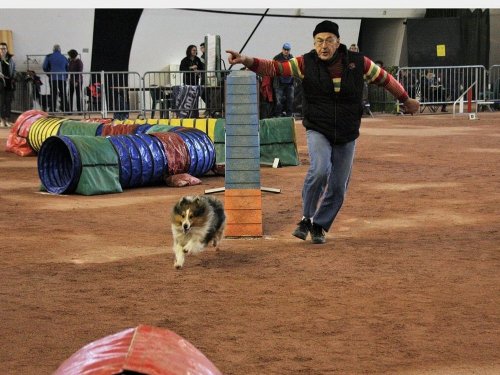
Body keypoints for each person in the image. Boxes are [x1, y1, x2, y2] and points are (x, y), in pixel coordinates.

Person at [226, 20, 420, 244]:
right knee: (319, 170)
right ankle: (306, 218)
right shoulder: (305, 63)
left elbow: (386, 79)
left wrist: (405, 99)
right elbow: (275, 68)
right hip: (318, 127)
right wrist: (247, 60)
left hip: (347, 132)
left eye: (329, 40)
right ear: (314, 43)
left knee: (338, 185)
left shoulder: (359, 63)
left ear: (338, 43)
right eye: (319, 41)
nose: (323, 46)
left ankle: (319, 225)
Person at [43, 44, 69, 112]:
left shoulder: (49, 56)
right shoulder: (64, 57)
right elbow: (67, 67)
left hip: (53, 78)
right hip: (62, 78)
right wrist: (66, 76)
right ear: (60, 50)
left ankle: (52, 109)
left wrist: (49, 74)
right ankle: (65, 109)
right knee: (63, 93)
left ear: (53, 49)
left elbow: (44, 67)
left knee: (53, 93)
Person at [273, 42, 294, 117]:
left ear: (289, 50)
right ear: (282, 49)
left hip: (289, 83)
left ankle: (289, 115)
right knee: (279, 101)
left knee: (290, 99)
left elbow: (294, 69)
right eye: (285, 49)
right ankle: (278, 115)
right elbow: (273, 69)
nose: (286, 51)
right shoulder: (276, 58)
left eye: (287, 50)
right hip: (279, 83)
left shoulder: (292, 58)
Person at [0, 42, 16, 127]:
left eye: (4, 48)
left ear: (7, 50)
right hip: (0, 83)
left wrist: (13, 77)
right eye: (1, 48)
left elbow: (14, 69)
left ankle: (7, 120)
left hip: (9, 83)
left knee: (8, 102)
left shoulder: (10, 59)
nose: (3, 50)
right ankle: (2, 120)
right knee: (1, 103)